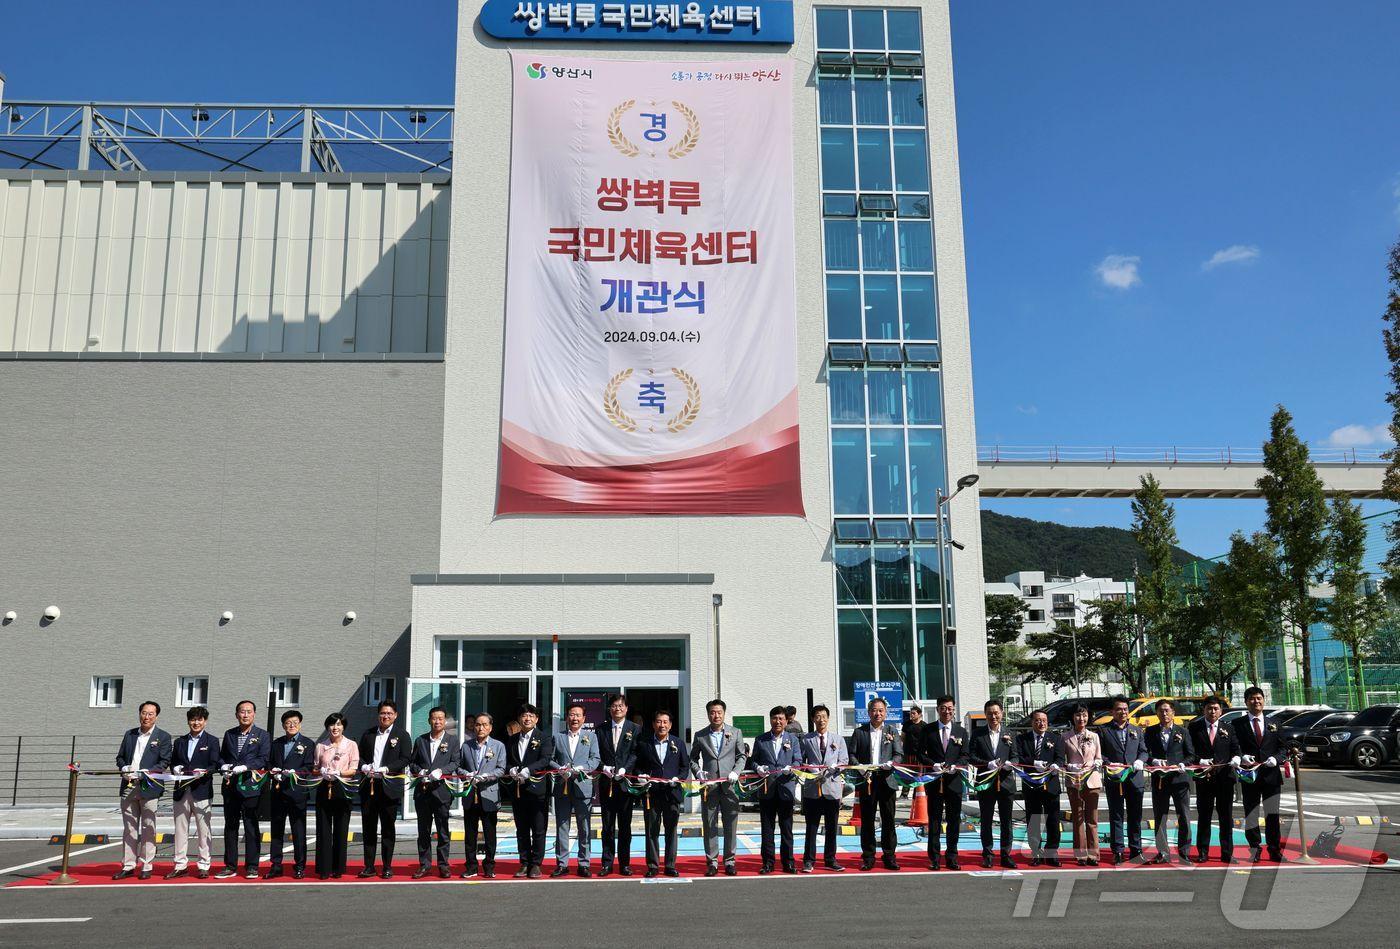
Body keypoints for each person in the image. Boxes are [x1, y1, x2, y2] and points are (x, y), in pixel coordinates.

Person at [112, 700, 173, 880]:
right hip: (129, 786)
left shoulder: (163, 736)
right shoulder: (130, 735)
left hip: (150, 786)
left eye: (150, 714)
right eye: (144, 713)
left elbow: (164, 761)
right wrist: (123, 768)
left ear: (156, 716)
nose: (146, 717)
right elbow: (120, 757)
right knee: (129, 828)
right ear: (139, 714)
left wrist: (150, 771)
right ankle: (129, 865)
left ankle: (147, 865)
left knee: (148, 827)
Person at [357, 699, 413, 878]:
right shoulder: (368, 734)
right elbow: (359, 757)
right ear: (378, 715)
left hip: (389, 787)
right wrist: (364, 766)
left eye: (389, 713)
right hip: (369, 786)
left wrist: (388, 768)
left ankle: (387, 865)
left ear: (395, 715)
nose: (386, 716)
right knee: (369, 827)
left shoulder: (402, 735)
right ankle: (369, 866)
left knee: (388, 828)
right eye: (383, 713)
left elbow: (405, 758)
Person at [215, 699, 270, 879]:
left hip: (250, 786)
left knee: (250, 826)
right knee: (230, 826)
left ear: (254, 714)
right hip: (230, 786)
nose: (245, 715)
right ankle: (230, 866)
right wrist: (223, 766)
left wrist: (246, 766)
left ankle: (252, 866)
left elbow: (264, 759)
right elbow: (222, 756)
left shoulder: (262, 735)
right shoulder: (229, 734)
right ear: (236, 714)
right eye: (242, 711)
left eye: (248, 711)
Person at [689, 698, 745, 876]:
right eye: (712, 712)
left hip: (730, 786)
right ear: (708, 714)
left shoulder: (735, 732)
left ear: (724, 713)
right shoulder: (700, 735)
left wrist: (736, 772)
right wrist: (698, 773)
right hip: (709, 787)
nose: (716, 715)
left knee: (731, 825)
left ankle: (729, 861)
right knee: (710, 824)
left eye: (719, 712)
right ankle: (712, 862)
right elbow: (693, 759)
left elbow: (741, 756)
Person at [1232, 685, 1285, 862]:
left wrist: (1276, 759)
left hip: (1271, 775)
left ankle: (1274, 848)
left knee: (1273, 814)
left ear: (1264, 700)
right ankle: (1255, 848)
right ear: (1246, 702)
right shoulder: (1238, 724)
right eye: (1252, 699)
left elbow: (1283, 748)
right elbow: (1234, 746)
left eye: (1259, 698)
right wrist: (1241, 757)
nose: (1256, 702)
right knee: (1251, 813)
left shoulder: (1274, 723)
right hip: (1250, 775)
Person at [850, 696, 904, 871]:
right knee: (867, 820)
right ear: (868, 713)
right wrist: (861, 769)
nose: (877, 713)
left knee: (888, 819)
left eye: (881, 710)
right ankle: (868, 857)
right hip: (867, 780)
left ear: (886, 713)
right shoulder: (860, 732)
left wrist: (892, 763)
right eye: (874, 710)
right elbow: (852, 755)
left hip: (887, 779)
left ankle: (889, 856)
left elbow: (899, 754)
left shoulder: (892, 731)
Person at [632, 709, 688, 877]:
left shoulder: (678, 743)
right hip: (652, 793)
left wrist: (678, 778)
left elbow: (685, 767)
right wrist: (641, 775)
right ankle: (653, 866)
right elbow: (637, 766)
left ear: (670, 725)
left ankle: (670, 865)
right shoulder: (644, 744)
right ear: (653, 724)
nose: (662, 725)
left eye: (665, 722)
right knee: (651, 831)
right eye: (658, 721)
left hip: (672, 793)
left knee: (671, 830)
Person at [750, 705, 805, 874]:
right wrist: (758, 768)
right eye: (775, 718)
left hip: (785, 788)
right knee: (767, 829)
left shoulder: (793, 739)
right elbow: (753, 761)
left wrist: (792, 767)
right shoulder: (761, 739)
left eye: (781, 718)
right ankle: (768, 863)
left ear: (786, 720)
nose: (778, 721)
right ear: (770, 720)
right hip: (767, 789)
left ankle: (788, 862)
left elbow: (798, 760)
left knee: (787, 828)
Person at [166, 705, 219, 879]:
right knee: (180, 829)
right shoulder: (179, 741)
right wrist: (176, 768)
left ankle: (204, 864)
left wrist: (203, 771)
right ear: (188, 721)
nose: (196, 723)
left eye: (199, 719)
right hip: (182, 790)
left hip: (202, 790)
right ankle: (180, 865)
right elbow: (173, 763)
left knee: (204, 830)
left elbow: (215, 765)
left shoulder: (212, 741)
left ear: (205, 721)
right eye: (193, 719)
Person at [551, 702, 601, 877]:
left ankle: (584, 863)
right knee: (562, 826)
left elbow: (596, 759)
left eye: (578, 715)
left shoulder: (591, 737)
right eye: (571, 714)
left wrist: (583, 767)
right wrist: (559, 768)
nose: (574, 718)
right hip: (562, 786)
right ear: (567, 717)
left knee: (584, 827)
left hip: (583, 787)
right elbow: (550, 759)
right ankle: (562, 863)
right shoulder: (557, 737)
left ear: (584, 719)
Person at [411, 705, 461, 879]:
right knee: (423, 831)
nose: (437, 721)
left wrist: (442, 771)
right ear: (429, 720)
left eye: (440, 718)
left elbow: (455, 762)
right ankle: (424, 865)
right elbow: (413, 763)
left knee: (442, 830)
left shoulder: (452, 740)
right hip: (423, 791)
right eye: (434, 718)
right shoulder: (420, 740)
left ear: (445, 721)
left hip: (442, 791)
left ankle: (443, 864)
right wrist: (421, 771)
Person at [506, 702, 555, 878]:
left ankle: (536, 864)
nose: (527, 718)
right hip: (518, 790)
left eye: (531, 716)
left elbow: (546, 759)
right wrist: (511, 769)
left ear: (536, 719)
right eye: (524, 716)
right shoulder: (512, 739)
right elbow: (508, 761)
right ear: (519, 719)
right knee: (522, 829)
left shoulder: (544, 737)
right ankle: (524, 862)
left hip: (537, 789)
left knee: (539, 828)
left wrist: (529, 770)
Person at [1188, 695, 1239, 864]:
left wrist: (1237, 758)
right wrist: (1198, 761)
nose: (1212, 711)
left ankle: (1227, 853)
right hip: (1204, 779)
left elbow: (1235, 749)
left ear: (1221, 711)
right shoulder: (1194, 728)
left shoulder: (1228, 728)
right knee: (1204, 816)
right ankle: (1202, 851)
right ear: (1204, 710)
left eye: (1216, 708)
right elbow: (1189, 751)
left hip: (1225, 779)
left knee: (1226, 817)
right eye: (1209, 708)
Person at [918, 695, 967, 871]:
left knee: (954, 820)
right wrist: (933, 764)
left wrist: (956, 765)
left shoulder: (961, 731)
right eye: (943, 708)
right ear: (938, 709)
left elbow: (965, 755)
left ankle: (952, 857)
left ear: (954, 710)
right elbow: (920, 753)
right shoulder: (928, 730)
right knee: (935, 820)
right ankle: (934, 858)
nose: (947, 711)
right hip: (935, 781)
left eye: (950, 708)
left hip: (954, 781)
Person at [1098, 695, 1147, 865]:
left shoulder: (1137, 730)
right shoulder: (1104, 730)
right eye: (1119, 709)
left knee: (1135, 816)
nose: (1123, 712)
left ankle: (1136, 850)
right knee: (1116, 815)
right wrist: (1108, 763)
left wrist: (1141, 760)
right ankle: (1118, 851)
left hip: (1135, 779)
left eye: (1125, 709)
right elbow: (1100, 753)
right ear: (1112, 712)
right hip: (1115, 778)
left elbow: (1143, 751)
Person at [267, 709, 317, 879]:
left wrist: (294, 772)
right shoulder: (276, 744)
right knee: (276, 830)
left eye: (295, 722)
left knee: (298, 831)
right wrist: (273, 771)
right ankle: (276, 864)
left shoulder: (308, 743)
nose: (292, 725)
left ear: (300, 724)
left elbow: (309, 767)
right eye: (288, 723)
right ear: (283, 725)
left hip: (297, 793)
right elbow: (269, 763)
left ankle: (300, 865)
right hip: (278, 792)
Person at [1144, 698, 1195, 864]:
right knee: (1160, 817)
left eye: (1167, 710)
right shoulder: (1150, 732)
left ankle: (1184, 852)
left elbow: (1191, 754)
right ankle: (1163, 852)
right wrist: (1153, 762)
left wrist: (1183, 764)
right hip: (1160, 780)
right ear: (1157, 713)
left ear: (1173, 712)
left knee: (1184, 816)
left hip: (1180, 780)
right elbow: (1145, 753)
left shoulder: (1183, 731)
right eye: (1161, 710)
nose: (1164, 713)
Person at [800, 704, 849, 873]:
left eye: (824, 716)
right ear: (813, 719)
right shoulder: (806, 739)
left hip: (832, 787)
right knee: (811, 826)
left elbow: (845, 760)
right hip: (813, 788)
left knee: (831, 826)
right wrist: (809, 768)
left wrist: (837, 767)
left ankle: (830, 859)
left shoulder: (838, 739)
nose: (821, 720)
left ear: (828, 718)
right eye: (817, 716)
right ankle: (808, 860)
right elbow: (799, 761)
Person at [969, 699, 1016, 869]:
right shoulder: (978, 734)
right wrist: (986, 764)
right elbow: (971, 756)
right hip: (986, 782)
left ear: (1002, 714)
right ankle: (988, 854)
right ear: (985, 715)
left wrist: (1011, 764)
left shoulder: (1009, 733)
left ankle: (1006, 854)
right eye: (990, 713)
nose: (993, 716)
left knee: (1006, 821)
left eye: (996, 713)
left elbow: (1016, 756)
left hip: (1006, 783)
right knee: (986, 819)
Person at [1012, 709, 1063, 866]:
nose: (1041, 723)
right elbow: (1018, 757)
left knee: (1053, 820)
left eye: (1044, 721)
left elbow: (1060, 758)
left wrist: (1056, 765)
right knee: (1033, 821)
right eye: (1037, 720)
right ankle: (1036, 852)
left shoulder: (1056, 738)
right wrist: (1034, 763)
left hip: (1051, 785)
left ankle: (1052, 852)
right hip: (1031, 785)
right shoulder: (1022, 739)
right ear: (1032, 722)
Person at [459, 712, 507, 878]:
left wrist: (486, 776)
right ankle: (471, 866)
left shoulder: (498, 746)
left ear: (490, 727)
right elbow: (459, 767)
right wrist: (467, 774)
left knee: (489, 833)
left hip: (489, 794)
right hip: (470, 794)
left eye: (485, 724)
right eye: (478, 724)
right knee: (470, 834)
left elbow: (501, 769)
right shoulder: (466, 746)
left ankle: (489, 866)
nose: (481, 728)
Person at [597, 693, 640, 877]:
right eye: (614, 706)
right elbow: (595, 754)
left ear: (626, 708)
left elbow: (636, 753)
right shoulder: (601, 729)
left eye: (621, 706)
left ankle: (624, 863)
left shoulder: (635, 729)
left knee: (625, 826)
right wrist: (602, 767)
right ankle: (607, 863)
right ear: (610, 709)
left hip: (624, 784)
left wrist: (625, 769)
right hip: (606, 784)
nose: (617, 709)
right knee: (607, 826)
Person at [314, 712, 360, 879]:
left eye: (339, 724)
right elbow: (315, 767)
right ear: (327, 727)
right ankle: (324, 868)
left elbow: (354, 769)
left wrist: (339, 772)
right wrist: (322, 771)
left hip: (343, 787)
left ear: (343, 727)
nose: (335, 727)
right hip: (324, 786)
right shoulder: (321, 745)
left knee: (341, 829)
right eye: (332, 724)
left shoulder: (351, 745)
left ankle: (338, 868)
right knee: (323, 829)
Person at [1062, 705, 1103, 866]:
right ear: (1073, 717)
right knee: (1077, 818)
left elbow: (1099, 757)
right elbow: (1061, 759)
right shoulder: (1065, 737)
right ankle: (1080, 854)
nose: (1081, 719)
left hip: (1092, 780)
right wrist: (1068, 766)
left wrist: (1097, 763)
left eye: (1084, 715)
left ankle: (1094, 854)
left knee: (1092, 819)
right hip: (1074, 780)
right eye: (1078, 715)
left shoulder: (1094, 736)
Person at [899, 704, 926, 800]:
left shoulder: (924, 725)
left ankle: (917, 793)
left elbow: (928, 740)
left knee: (919, 774)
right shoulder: (907, 724)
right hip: (908, 753)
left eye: (914, 713)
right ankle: (904, 794)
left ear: (919, 714)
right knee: (907, 773)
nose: (912, 715)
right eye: (911, 713)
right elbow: (902, 737)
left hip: (920, 754)